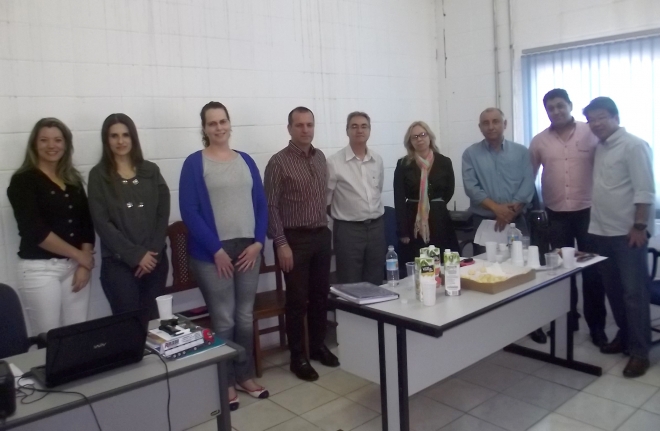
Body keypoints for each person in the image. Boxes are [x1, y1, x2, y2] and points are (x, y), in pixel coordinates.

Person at [179, 102, 269, 410]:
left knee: (244, 316)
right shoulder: (194, 163)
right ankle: (225, 381)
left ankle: (244, 376)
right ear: (204, 128)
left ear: (230, 124)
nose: (219, 127)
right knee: (224, 318)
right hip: (211, 253)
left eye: (222, 121)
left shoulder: (246, 160)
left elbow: (261, 204)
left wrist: (259, 243)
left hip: (248, 251)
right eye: (212, 123)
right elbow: (189, 211)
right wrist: (215, 250)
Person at [264, 106, 339, 382]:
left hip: (320, 235)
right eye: (299, 125)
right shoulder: (278, 162)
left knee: (320, 296)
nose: (305, 130)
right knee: (297, 301)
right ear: (289, 129)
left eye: (309, 125)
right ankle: (298, 357)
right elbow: (270, 206)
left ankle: (317, 346)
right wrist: (280, 243)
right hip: (293, 240)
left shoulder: (320, 158)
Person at [583, 97, 655, 378]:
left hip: (627, 234)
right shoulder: (601, 147)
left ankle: (640, 353)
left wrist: (639, 225)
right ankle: (625, 337)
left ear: (615, 117)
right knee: (613, 291)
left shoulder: (634, 145)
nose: (596, 124)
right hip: (601, 232)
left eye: (601, 117)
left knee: (634, 294)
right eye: (591, 119)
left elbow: (645, 190)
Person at [529, 89, 607, 346]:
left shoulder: (590, 132)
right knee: (562, 271)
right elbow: (530, 177)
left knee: (593, 271)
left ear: (570, 105)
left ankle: (597, 327)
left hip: (588, 213)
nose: (556, 111)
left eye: (560, 105)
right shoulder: (539, 141)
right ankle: (568, 319)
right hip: (556, 215)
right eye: (550, 108)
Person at [7, 118, 95, 335]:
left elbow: (86, 224)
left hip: (75, 267)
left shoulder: (72, 180)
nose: (51, 145)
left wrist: (84, 265)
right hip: (40, 270)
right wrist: (81, 256)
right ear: (34, 144)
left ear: (65, 144)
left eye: (57, 140)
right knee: (49, 337)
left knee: (78, 333)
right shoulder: (23, 181)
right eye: (44, 140)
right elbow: (35, 231)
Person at [462, 108, 540, 343]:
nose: (491, 126)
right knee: (486, 272)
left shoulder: (521, 152)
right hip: (485, 222)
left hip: (517, 221)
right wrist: (497, 210)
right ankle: (491, 325)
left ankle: (531, 322)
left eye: (496, 121)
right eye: (485, 123)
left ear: (505, 124)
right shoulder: (470, 154)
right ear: (480, 127)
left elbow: (528, 184)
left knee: (522, 271)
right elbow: (471, 188)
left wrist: (509, 212)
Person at [87, 114, 170, 320]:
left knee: (155, 324)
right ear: (106, 140)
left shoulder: (151, 170)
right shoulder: (98, 176)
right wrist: (136, 256)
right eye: (114, 136)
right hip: (119, 265)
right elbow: (102, 222)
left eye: (125, 135)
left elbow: (162, 212)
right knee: (129, 326)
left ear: (133, 137)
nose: (121, 141)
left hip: (154, 260)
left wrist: (151, 254)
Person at [327, 112, 386, 286]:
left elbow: (378, 190)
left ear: (369, 130)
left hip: (376, 228)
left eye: (364, 126)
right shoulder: (334, 162)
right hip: (348, 231)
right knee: (349, 282)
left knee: (375, 280)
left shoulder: (377, 160)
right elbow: (326, 199)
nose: (359, 130)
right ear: (347, 131)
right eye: (354, 126)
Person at [394, 121, 459, 265]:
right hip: (413, 222)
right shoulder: (403, 164)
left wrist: (432, 205)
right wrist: (403, 231)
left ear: (430, 137)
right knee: (419, 263)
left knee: (442, 263)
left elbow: (449, 191)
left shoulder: (444, 162)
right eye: (415, 137)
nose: (419, 139)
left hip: (439, 219)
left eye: (423, 134)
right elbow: (399, 198)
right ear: (410, 142)